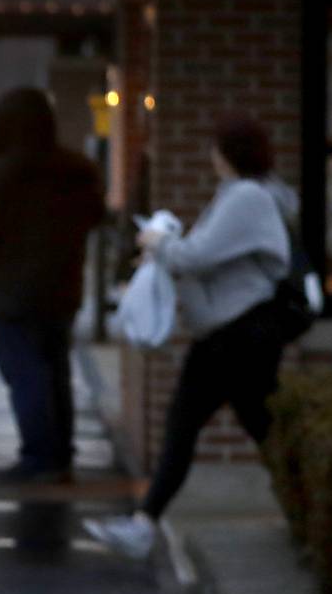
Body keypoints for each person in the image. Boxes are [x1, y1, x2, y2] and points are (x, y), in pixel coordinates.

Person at [85, 116, 295, 558]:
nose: (211, 156)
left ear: (229, 153)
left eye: (217, 148)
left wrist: (159, 242)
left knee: (202, 425)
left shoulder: (247, 197)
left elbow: (196, 256)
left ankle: (145, 523)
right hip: (233, 334)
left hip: (236, 334)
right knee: (255, 426)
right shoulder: (241, 196)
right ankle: (147, 522)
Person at [0, 87, 104, 483]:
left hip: (11, 296)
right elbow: (94, 217)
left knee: (25, 374)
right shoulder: (77, 170)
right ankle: (60, 455)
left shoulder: (3, 173)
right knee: (56, 373)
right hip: (62, 292)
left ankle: (37, 457)